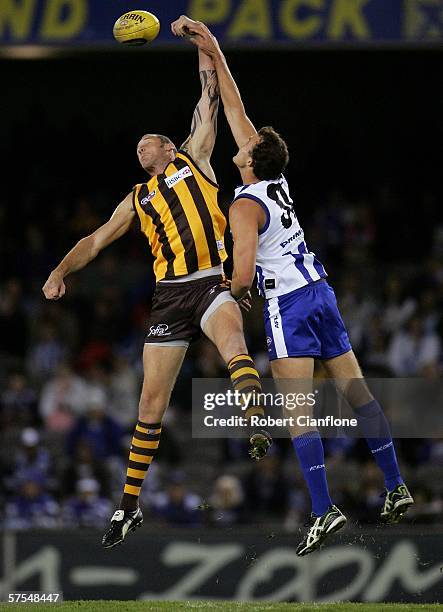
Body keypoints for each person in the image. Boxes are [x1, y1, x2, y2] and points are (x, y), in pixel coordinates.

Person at [172, 15, 414, 556]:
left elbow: (238, 275)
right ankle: (396, 486)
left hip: (288, 304)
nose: (242, 140)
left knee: (298, 412)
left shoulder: (243, 202)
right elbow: (234, 108)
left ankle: (324, 509)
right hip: (321, 292)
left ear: (251, 159)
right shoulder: (275, 181)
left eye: (247, 144)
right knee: (358, 393)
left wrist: (224, 292)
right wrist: (210, 47)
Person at [42, 44, 271, 549]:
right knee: (149, 403)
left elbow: (208, 96)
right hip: (169, 297)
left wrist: (200, 45)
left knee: (233, 340)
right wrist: (60, 270)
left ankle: (253, 412)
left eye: (151, 142)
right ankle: (128, 507)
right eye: (138, 145)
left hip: (210, 279)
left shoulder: (196, 160)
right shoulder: (137, 197)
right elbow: (95, 240)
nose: (141, 147)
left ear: (171, 149)